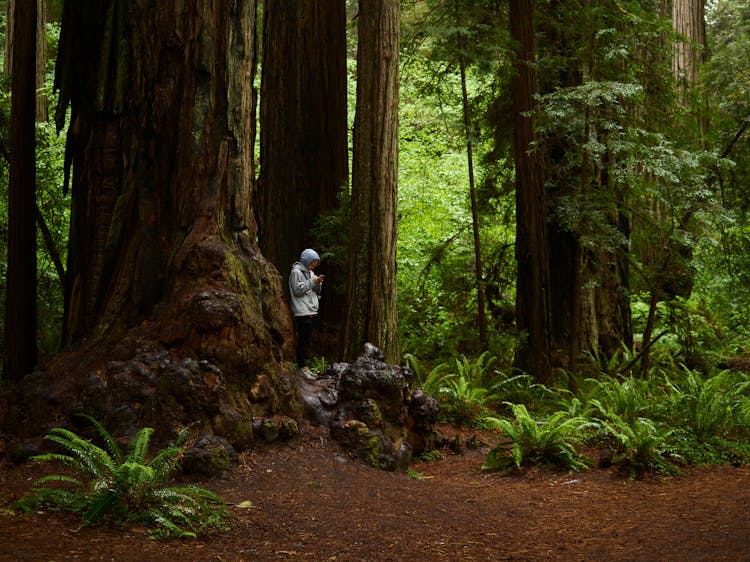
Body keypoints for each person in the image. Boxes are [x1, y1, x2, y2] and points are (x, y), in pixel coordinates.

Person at [289, 248, 324, 379]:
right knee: (303, 340)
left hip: (310, 309)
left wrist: (318, 283)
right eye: (312, 263)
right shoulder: (296, 272)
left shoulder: (310, 273)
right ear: (305, 261)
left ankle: (304, 366)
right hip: (302, 311)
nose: (313, 266)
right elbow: (298, 290)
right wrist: (312, 281)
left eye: (315, 264)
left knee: (307, 340)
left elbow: (315, 291)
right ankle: (301, 366)